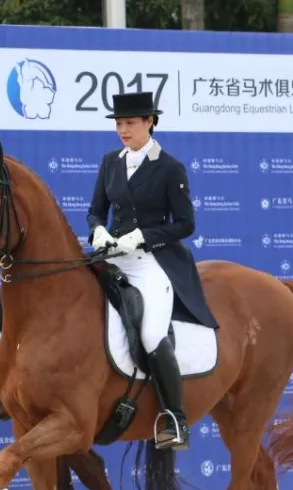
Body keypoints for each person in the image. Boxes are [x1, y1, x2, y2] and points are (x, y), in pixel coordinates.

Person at [86, 91, 219, 451]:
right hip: (113, 257)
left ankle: (175, 417)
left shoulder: (169, 167)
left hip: (152, 263)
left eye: (129, 123)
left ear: (150, 122)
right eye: (118, 124)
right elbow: (96, 209)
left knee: (151, 335)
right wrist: (98, 229)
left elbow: (185, 224)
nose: (122, 130)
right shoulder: (110, 162)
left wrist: (142, 237)